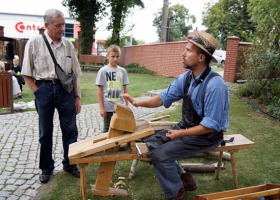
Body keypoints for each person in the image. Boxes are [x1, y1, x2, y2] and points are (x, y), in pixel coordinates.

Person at [122, 31, 229, 200]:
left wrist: (180, 134)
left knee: (159, 156)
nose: (183, 53)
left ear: (201, 57)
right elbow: (162, 98)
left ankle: (175, 193)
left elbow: (210, 125)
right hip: (186, 127)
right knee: (151, 143)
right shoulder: (186, 78)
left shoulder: (215, 85)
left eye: (188, 50)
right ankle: (185, 178)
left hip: (207, 136)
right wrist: (137, 102)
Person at [21, 9, 82, 184]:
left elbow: (75, 73)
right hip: (44, 89)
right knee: (45, 132)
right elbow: (26, 73)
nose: (62, 28)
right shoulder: (34, 43)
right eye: (58, 25)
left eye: (63, 24)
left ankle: (70, 164)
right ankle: (46, 168)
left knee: (71, 130)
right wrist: (38, 92)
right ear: (46, 25)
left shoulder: (69, 45)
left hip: (66, 92)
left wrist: (77, 97)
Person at [95, 45, 129, 132]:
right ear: (107, 56)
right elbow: (100, 90)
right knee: (107, 129)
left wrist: (126, 104)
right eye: (112, 56)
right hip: (108, 106)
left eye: (117, 56)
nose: (115, 59)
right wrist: (102, 108)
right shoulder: (103, 71)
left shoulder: (122, 71)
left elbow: (125, 88)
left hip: (120, 105)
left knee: (121, 127)